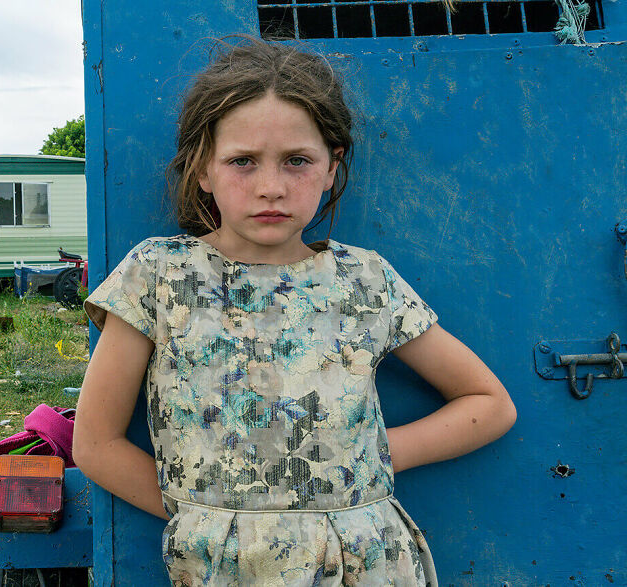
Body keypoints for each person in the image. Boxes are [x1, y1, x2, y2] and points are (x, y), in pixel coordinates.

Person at [73, 38, 517, 585]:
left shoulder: (365, 281)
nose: (271, 187)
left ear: (332, 167)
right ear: (203, 169)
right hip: (223, 568)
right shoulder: (159, 276)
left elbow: (490, 404)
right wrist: (203, 518)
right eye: (242, 161)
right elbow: (95, 444)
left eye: (297, 161)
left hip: (365, 565)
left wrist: (373, 455)